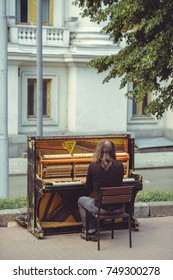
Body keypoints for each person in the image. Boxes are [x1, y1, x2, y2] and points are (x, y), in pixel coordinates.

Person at [78, 139, 124, 241]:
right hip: (118, 207)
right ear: (113, 151)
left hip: (102, 208)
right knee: (100, 200)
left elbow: (88, 189)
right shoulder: (120, 166)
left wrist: (86, 181)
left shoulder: (93, 166)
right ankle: (96, 228)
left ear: (98, 151)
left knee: (81, 200)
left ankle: (89, 231)